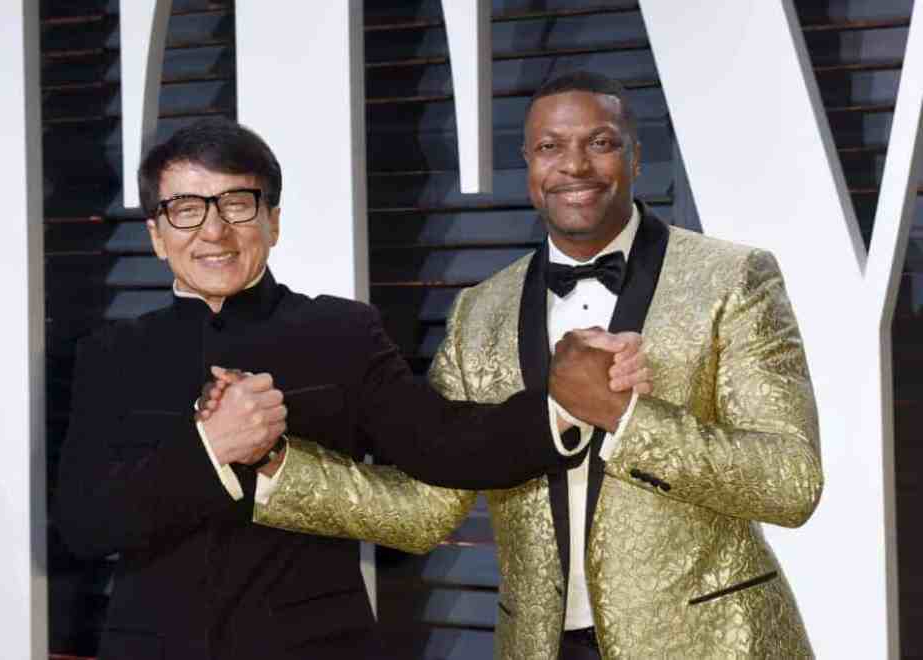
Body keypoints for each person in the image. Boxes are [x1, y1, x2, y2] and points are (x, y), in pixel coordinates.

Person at [232, 72, 824, 659]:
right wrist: (276, 464)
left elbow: (791, 482)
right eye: (551, 147)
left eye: (600, 142)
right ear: (529, 165)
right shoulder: (479, 311)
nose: (575, 166)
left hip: (716, 645)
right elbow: (426, 507)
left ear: (635, 156)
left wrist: (626, 416)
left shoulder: (733, 278)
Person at [54, 117, 650, 660]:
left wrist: (566, 406)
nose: (214, 229)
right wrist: (211, 446)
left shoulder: (339, 331)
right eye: (186, 208)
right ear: (158, 235)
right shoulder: (111, 354)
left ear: (273, 221)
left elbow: (443, 442)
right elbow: (86, 524)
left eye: (237, 204)